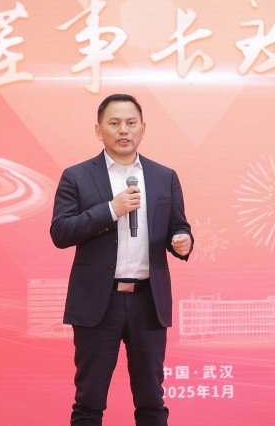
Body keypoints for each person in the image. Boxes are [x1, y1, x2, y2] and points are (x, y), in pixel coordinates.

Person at [50, 93, 193, 426]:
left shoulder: (164, 176)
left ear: (143, 128)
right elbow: (61, 232)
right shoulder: (77, 176)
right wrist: (111, 209)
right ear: (98, 130)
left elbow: (178, 226)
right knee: (89, 402)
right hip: (98, 303)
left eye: (131, 122)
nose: (123, 130)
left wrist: (182, 241)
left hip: (148, 301)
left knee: (152, 401)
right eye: (114, 123)